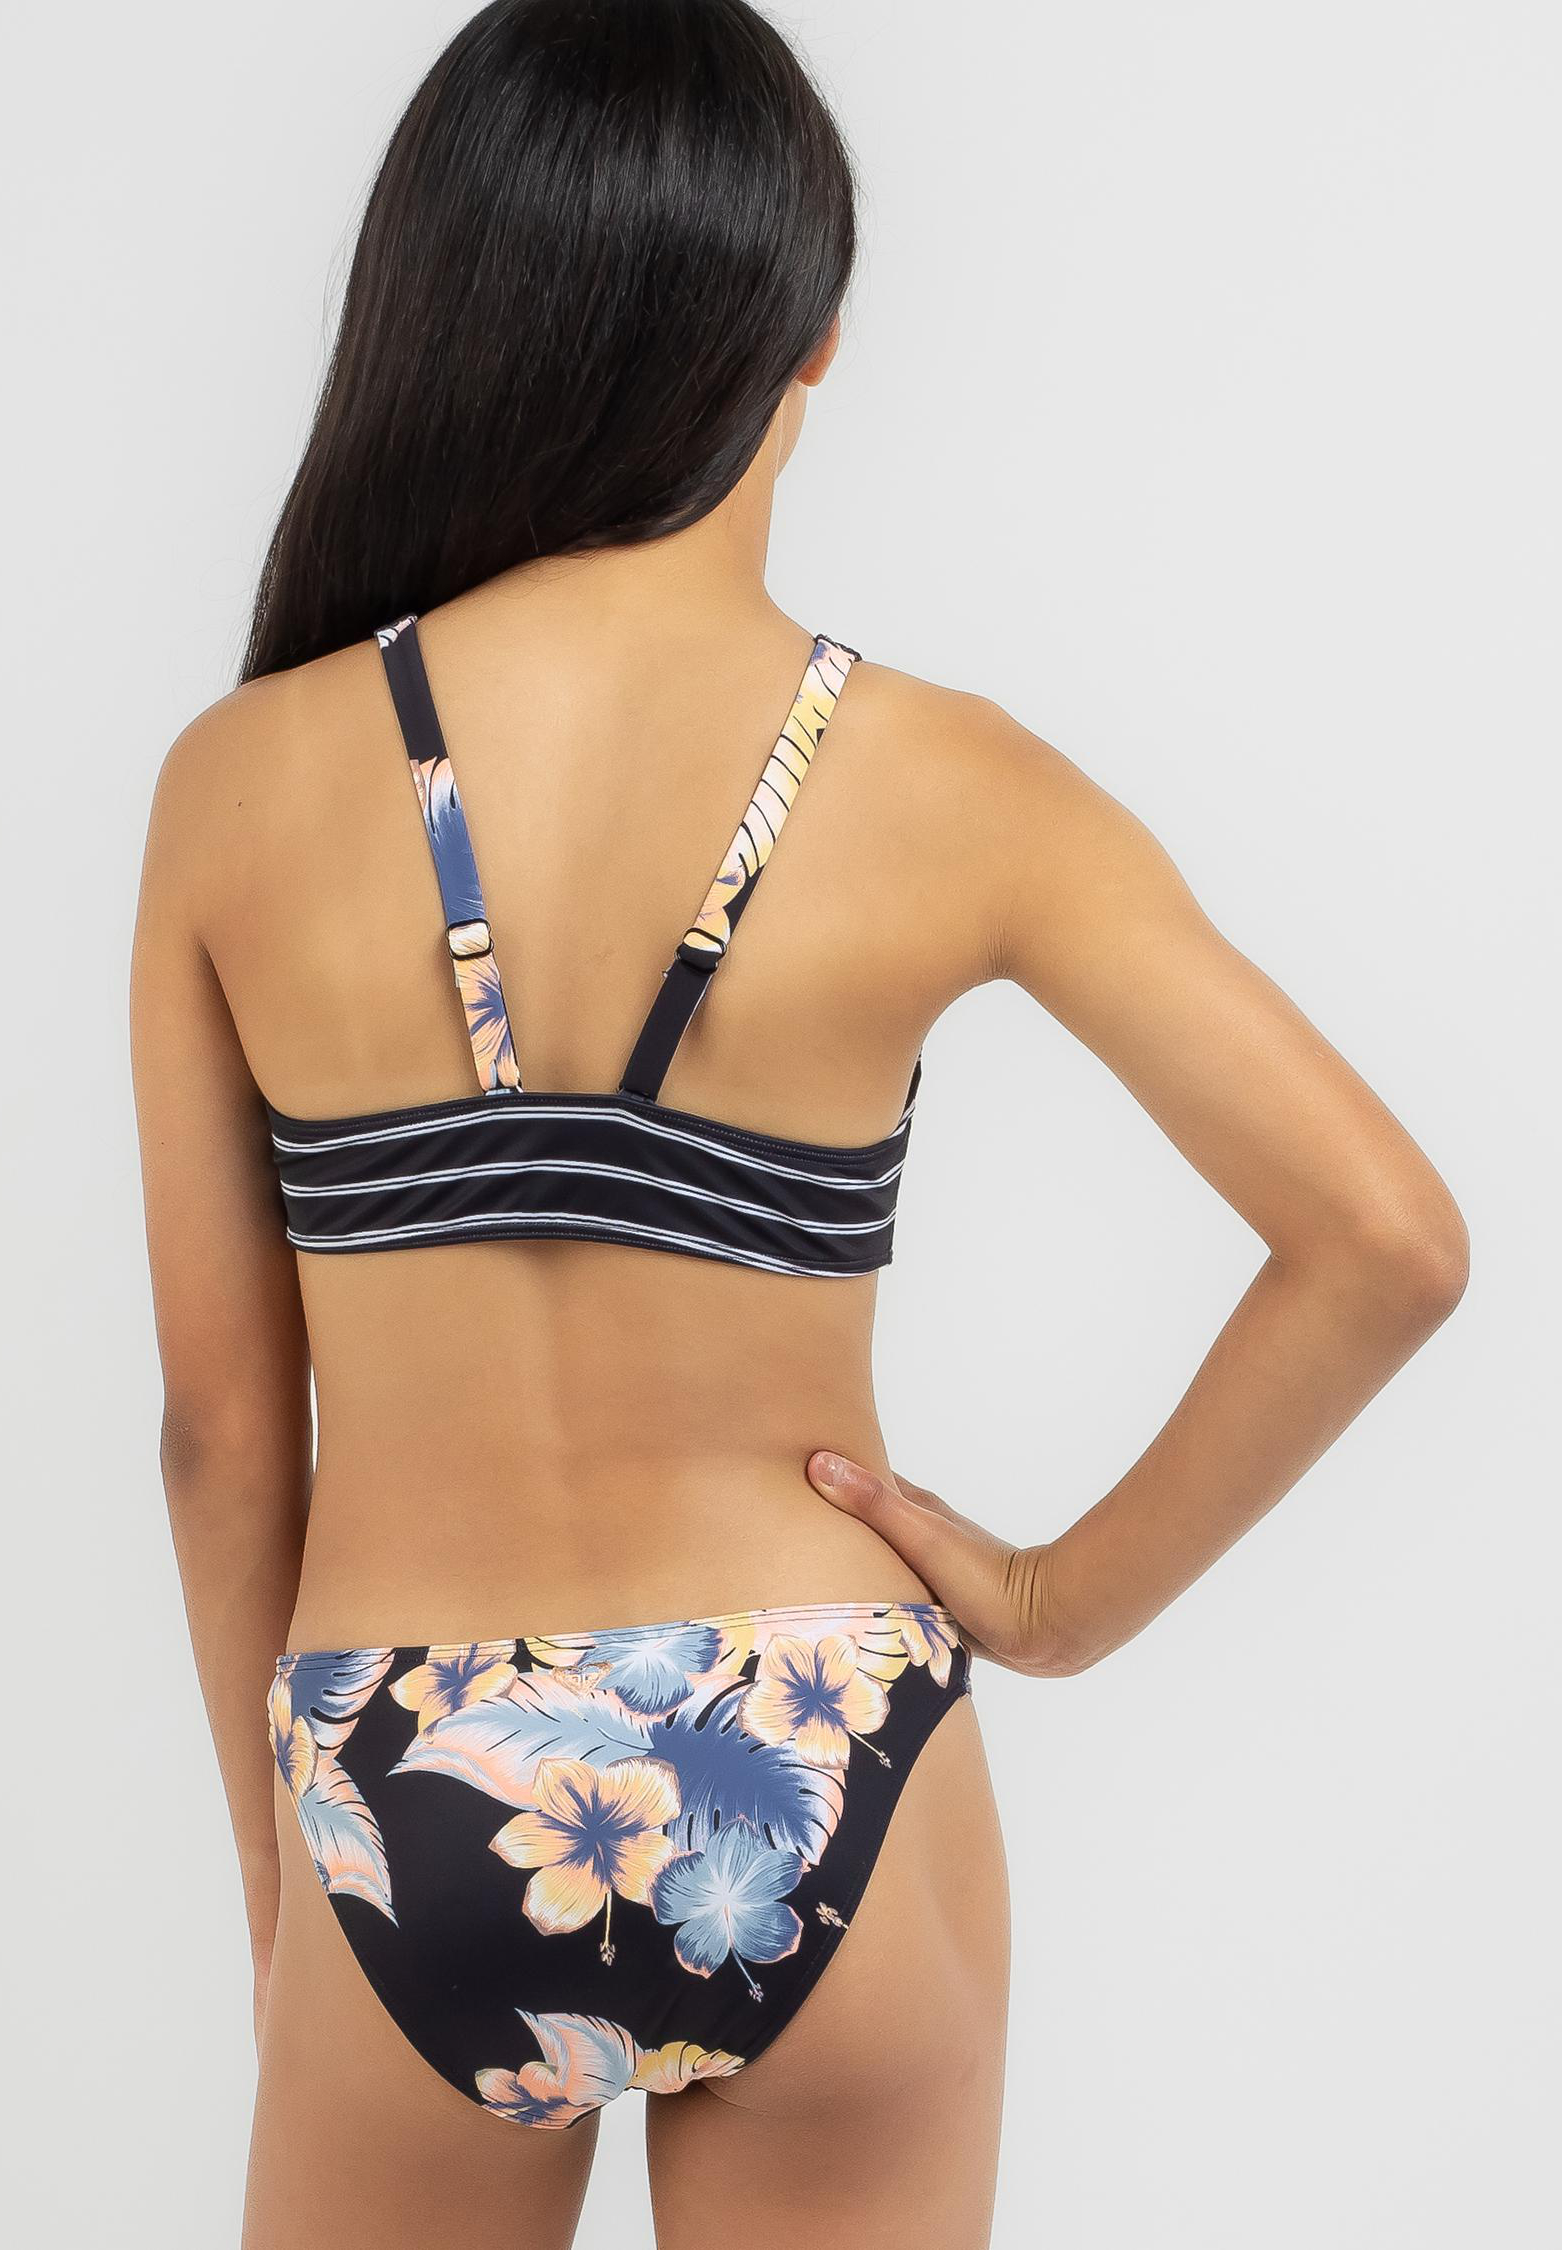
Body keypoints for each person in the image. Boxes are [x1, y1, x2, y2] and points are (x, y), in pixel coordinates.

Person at [130, 4, 1467, 2242]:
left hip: (407, 1768)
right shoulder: (960, 785)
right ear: (814, 333)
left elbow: (218, 1432)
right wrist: (1050, 1604)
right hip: (820, 1730)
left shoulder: (235, 784)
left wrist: (295, 1861)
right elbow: (1387, 1239)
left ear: (451, 306)